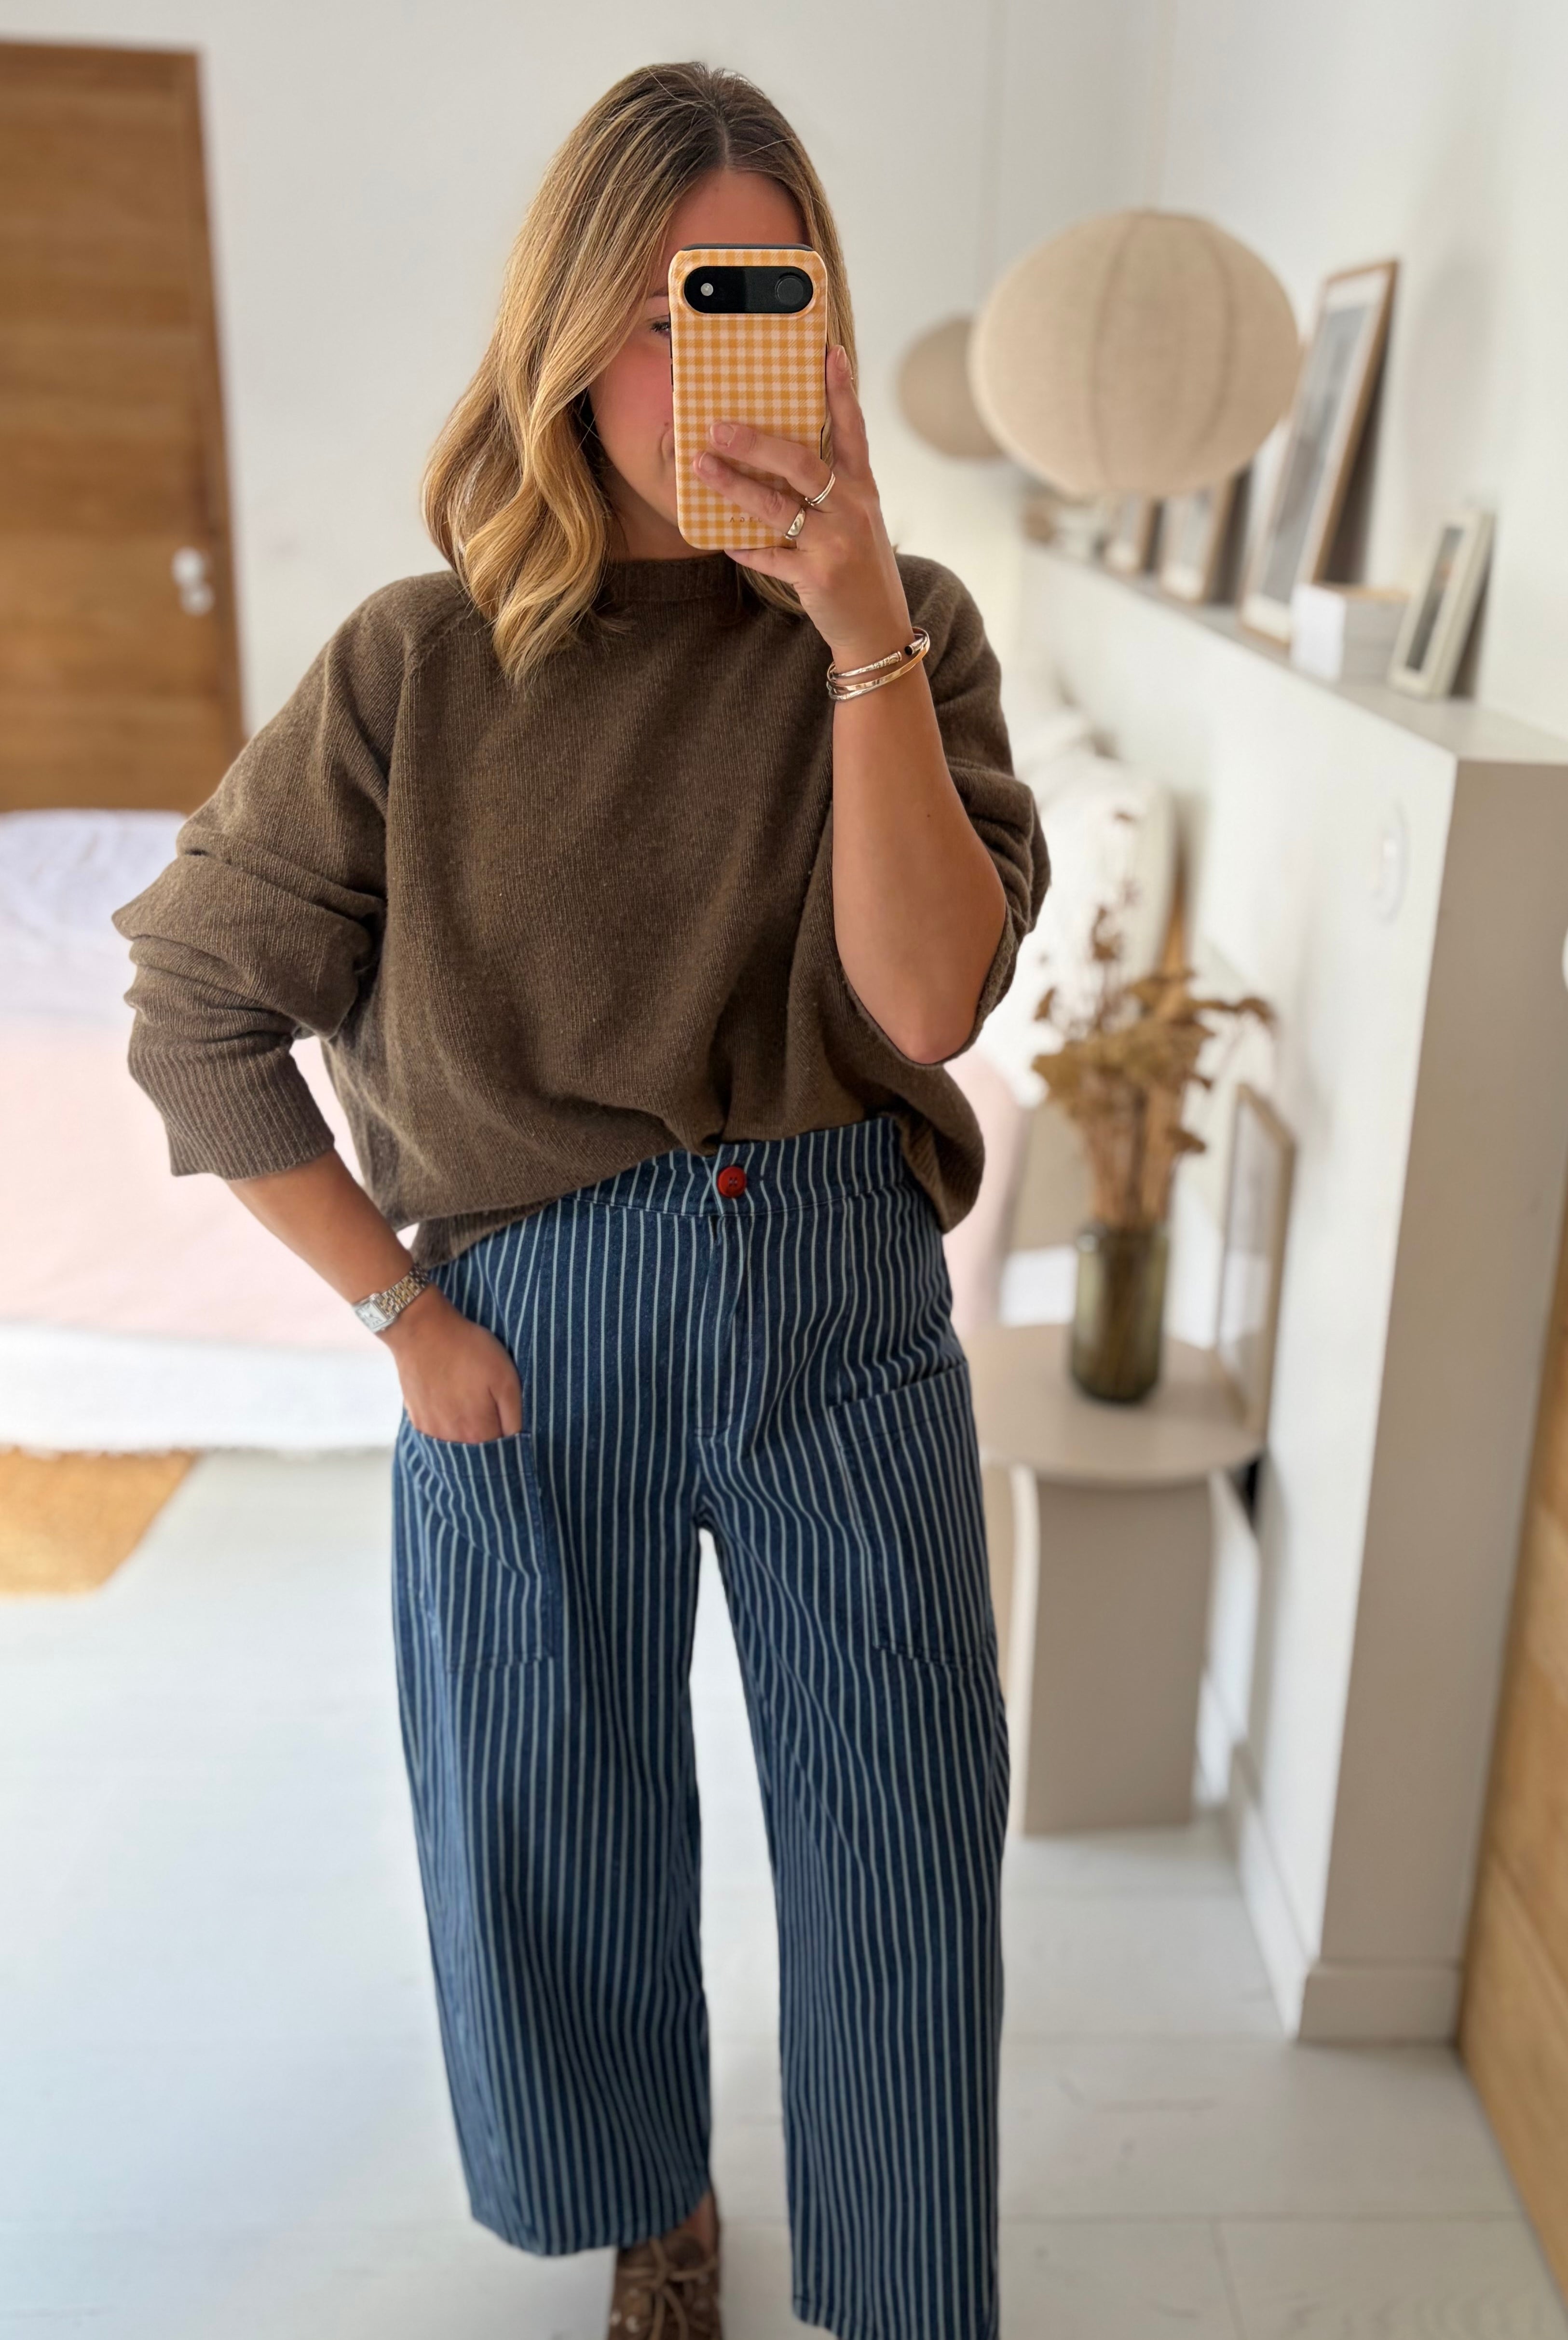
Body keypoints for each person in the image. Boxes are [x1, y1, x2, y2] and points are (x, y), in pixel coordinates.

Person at [113, 59, 1048, 2340]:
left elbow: (928, 1003)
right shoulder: (418, 665)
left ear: (819, 328)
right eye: (653, 313)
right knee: (560, 1828)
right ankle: (657, 2205)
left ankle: (906, 2284)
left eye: (752, 300)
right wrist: (397, 1319)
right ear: (562, 338)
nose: (697, 370)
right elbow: (196, 1013)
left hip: (841, 1295)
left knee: (907, 1835)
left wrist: (859, 632)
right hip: (532, 1319)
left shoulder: (908, 628)